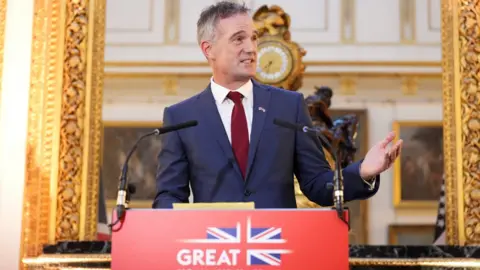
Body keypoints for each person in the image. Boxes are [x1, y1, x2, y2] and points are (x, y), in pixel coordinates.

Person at [152, 1, 403, 209]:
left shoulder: (288, 106)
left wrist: (363, 172)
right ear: (209, 50)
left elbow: (317, 184)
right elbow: (169, 197)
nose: (251, 48)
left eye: (253, 38)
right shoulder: (181, 117)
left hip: (278, 251)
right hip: (215, 254)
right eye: (238, 39)